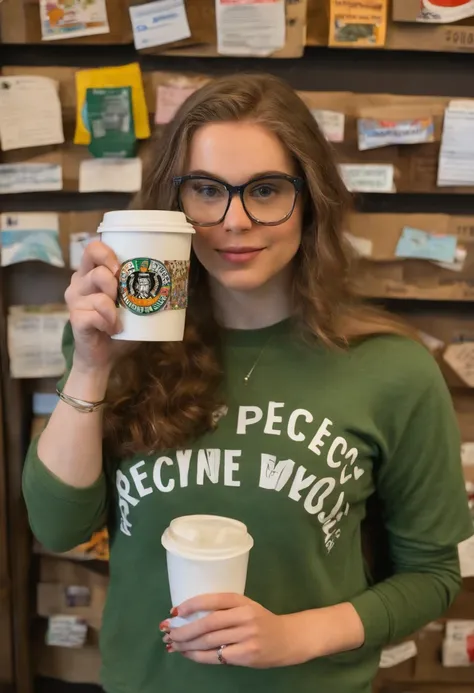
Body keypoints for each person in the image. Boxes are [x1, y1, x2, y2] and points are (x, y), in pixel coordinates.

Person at [23, 73, 472, 693]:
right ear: (173, 205)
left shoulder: (391, 369)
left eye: (265, 190)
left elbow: (432, 575)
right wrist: (94, 363)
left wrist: (298, 635)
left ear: (310, 199)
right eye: (206, 190)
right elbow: (58, 526)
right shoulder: (117, 347)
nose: (234, 221)